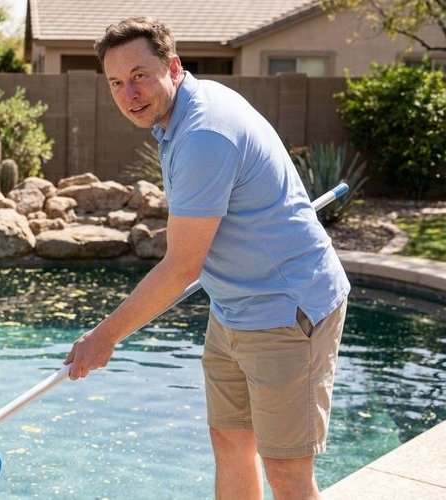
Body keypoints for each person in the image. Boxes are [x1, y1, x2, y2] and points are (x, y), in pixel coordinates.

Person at [63, 17, 350, 500]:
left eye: (139, 76)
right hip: (234, 307)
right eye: (116, 82)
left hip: (286, 310)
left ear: (172, 67)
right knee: (231, 441)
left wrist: (103, 338)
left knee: (286, 472)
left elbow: (181, 266)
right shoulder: (181, 116)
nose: (129, 93)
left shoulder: (203, 134)